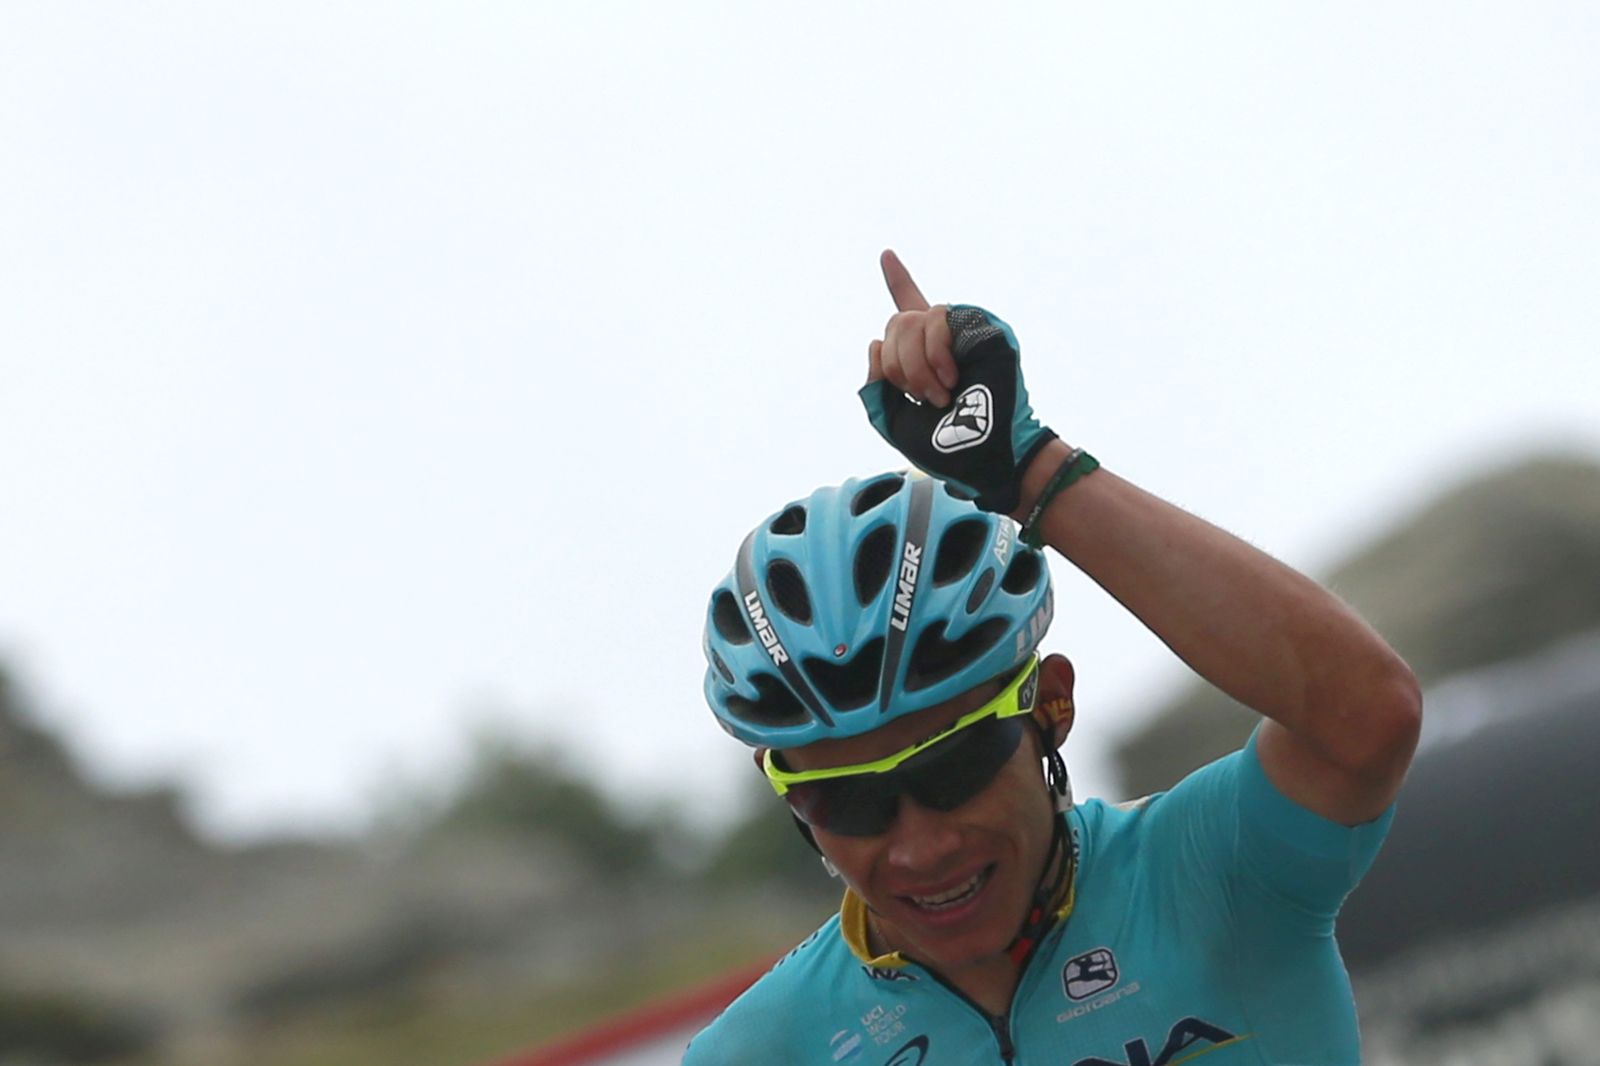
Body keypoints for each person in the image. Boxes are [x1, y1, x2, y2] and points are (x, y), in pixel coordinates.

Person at [683, 252, 1421, 1065]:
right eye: (849, 805)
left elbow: (1363, 712)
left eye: (954, 767)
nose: (920, 847)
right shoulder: (759, 1051)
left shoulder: (1209, 874)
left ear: (1051, 707)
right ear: (789, 802)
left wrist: (1028, 468)